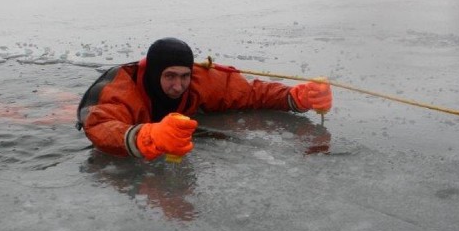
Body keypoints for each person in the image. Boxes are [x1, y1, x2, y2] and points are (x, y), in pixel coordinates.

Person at [76, 37, 333, 160]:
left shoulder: (200, 81)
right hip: (93, 109)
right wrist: (149, 137)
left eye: (184, 76)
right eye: (169, 77)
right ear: (154, 74)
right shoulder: (121, 90)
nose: (178, 86)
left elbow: (250, 92)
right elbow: (99, 124)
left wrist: (294, 97)